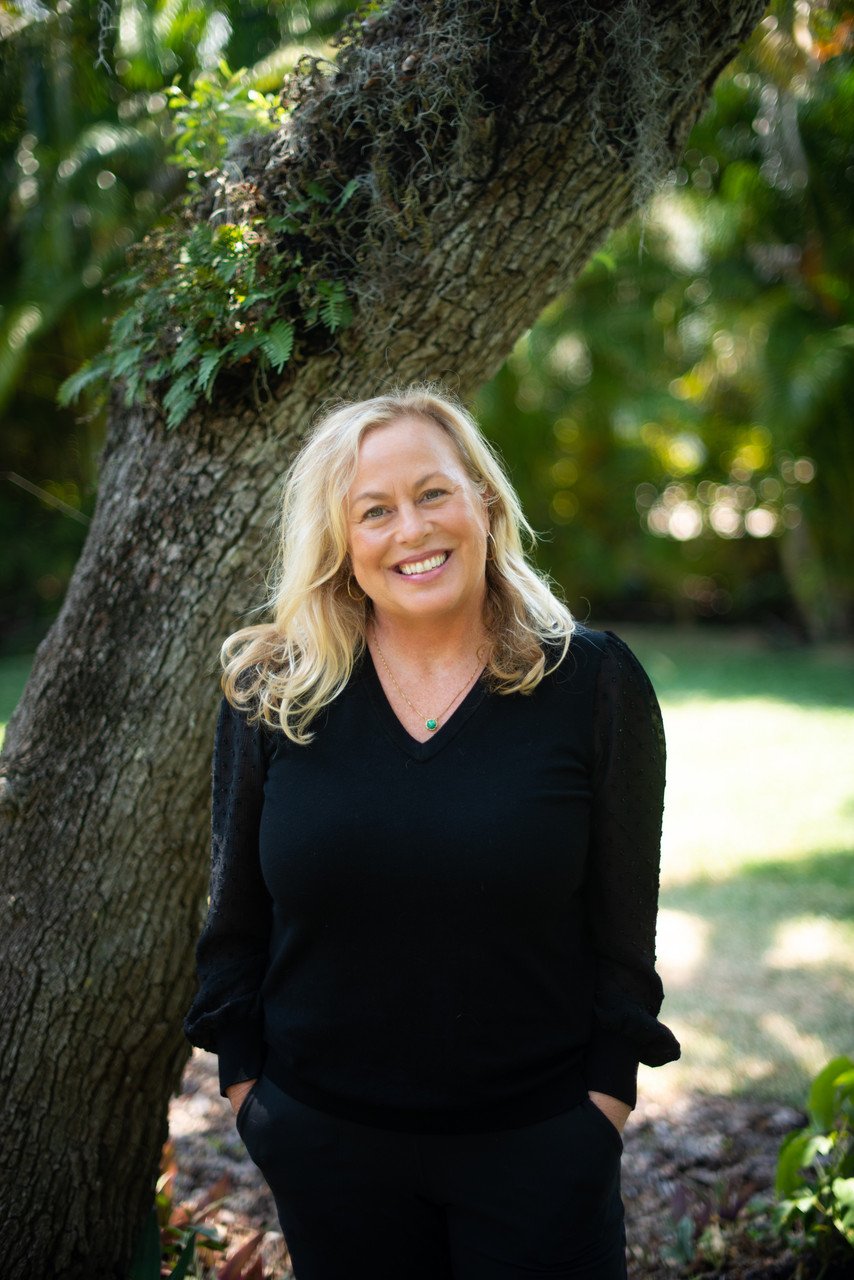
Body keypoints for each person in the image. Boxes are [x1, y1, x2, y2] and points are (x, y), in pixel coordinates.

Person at [183, 384, 681, 1280]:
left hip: (540, 1155)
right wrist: (256, 1098)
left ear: (483, 502)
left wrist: (599, 1108)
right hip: (326, 1152)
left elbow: (623, 937)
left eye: (433, 493)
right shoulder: (274, 693)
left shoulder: (593, 685)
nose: (410, 530)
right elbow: (235, 924)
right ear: (341, 543)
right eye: (374, 510)